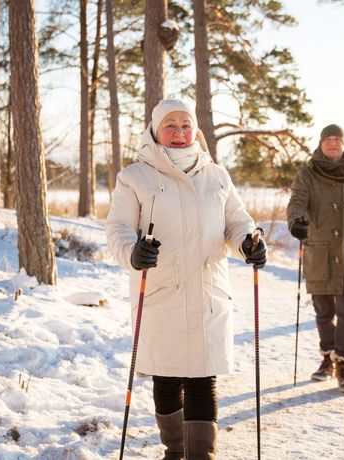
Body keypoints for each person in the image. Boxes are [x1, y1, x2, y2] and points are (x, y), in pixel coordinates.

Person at [106, 99, 266, 459]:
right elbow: (118, 228)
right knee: (166, 377)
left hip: (209, 291)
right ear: (155, 130)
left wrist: (248, 243)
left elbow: (237, 221)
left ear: (195, 130)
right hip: (162, 291)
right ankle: (174, 452)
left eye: (185, 125)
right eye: (170, 125)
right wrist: (132, 252)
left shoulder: (216, 175)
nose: (179, 132)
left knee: (203, 378)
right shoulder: (135, 177)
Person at [286, 123, 344, 394]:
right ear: (320, 144)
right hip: (321, 254)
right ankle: (328, 359)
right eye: (327, 139)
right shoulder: (308, 174)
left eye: (337, 139)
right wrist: (296, 221)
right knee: (324, 313)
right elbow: (297, 201)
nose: (332, 143)